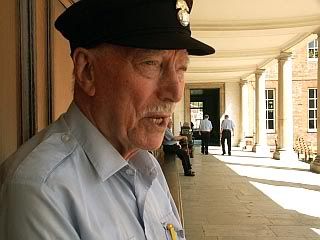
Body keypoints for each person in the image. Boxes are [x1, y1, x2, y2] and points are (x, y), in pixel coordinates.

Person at [0, 0, 214, 239]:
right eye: (151, 63)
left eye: (181, 69)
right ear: (87, 71)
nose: (175, 92)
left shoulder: (146, 166)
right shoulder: (42, 189)